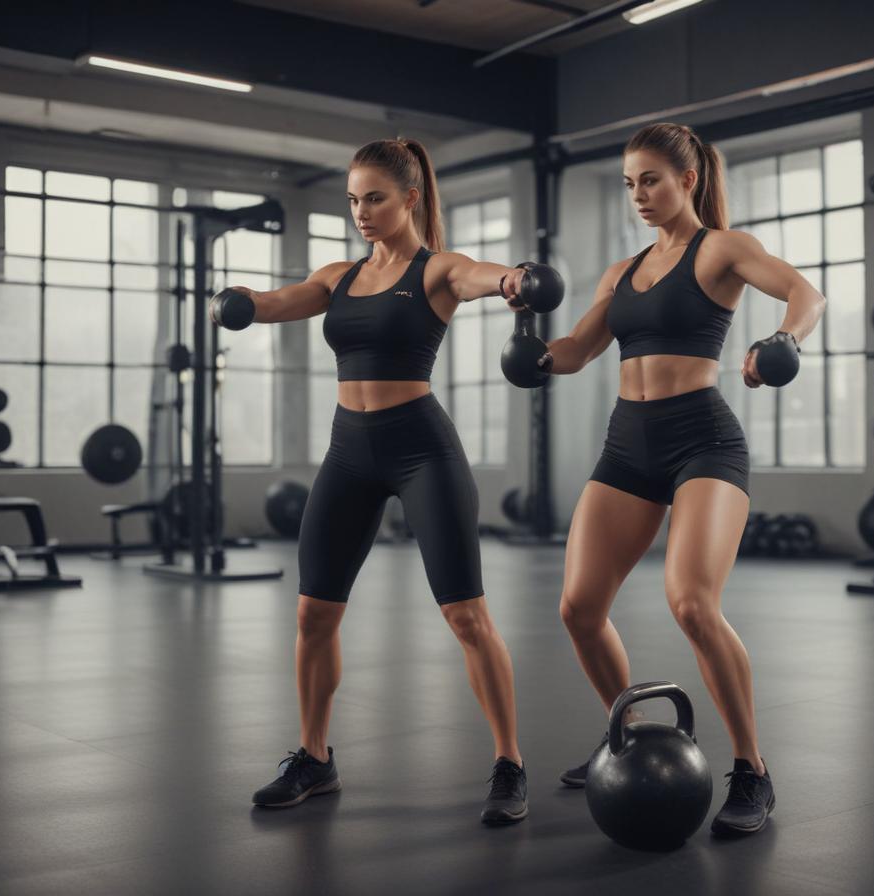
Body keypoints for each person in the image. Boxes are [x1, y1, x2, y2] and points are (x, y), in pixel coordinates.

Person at [213, 138, 551, 826]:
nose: (361, 212)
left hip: (420, 448)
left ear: (410, 198)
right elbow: (281, 302)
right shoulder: (340, 275)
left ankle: (510, 763)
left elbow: (482, 276)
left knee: (465, 615)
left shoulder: (437, 270)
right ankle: (315, 757)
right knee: (314, 613)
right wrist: (247, 299)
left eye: (374, 198)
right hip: (348, 450)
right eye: (353, 200)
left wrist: (515, 280)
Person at [522, 122, 825, 837]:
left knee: (691, 602)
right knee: (578, 607)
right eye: (630, 184)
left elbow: (804, 293)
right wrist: (535, 349)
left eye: (651, 179)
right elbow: (578, 348)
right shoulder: (621, 272)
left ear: (688, 180)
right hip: (627, 445)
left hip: (703, 440)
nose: (639, 195)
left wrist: (781, 339)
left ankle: (752, 769)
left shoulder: (720, 248)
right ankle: (625, 732)